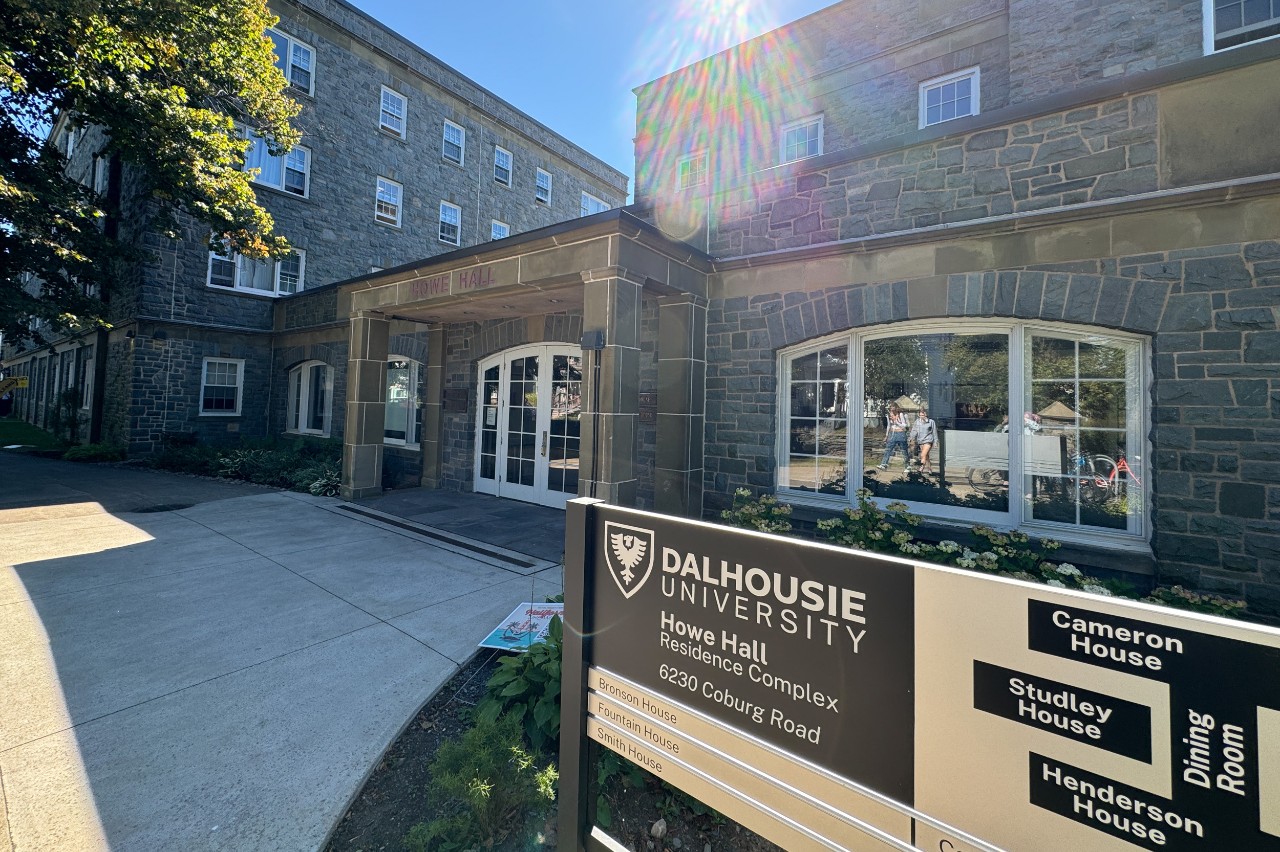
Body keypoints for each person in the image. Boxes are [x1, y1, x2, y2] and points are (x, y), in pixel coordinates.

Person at [878, 404, 910, 470]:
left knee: (904, 450)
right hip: (892, 433)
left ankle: (907, 466)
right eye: (891, 409)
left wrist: (896, 422)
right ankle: (884, 464)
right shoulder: (889, 415)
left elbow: (904, 425)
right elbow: (888, 426)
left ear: (897, 409)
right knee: (888, 449)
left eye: (894, 409)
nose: (892, 411)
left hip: (900, 433)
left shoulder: (901, 415)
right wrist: (886, 435)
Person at [908, 407, 938, 474]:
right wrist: (911, 437)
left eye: (923, 415)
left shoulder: (931, 422)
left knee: (923, 454)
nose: (922, 416)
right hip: (920, 440)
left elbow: (934, 432)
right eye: (920, 415)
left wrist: (935, 442)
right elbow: (914, 430)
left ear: (926, 414)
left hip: (928, 440)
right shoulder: (917, 422)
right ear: (919, 415)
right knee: (926, 455)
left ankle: (921, 468)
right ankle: (929, 468)